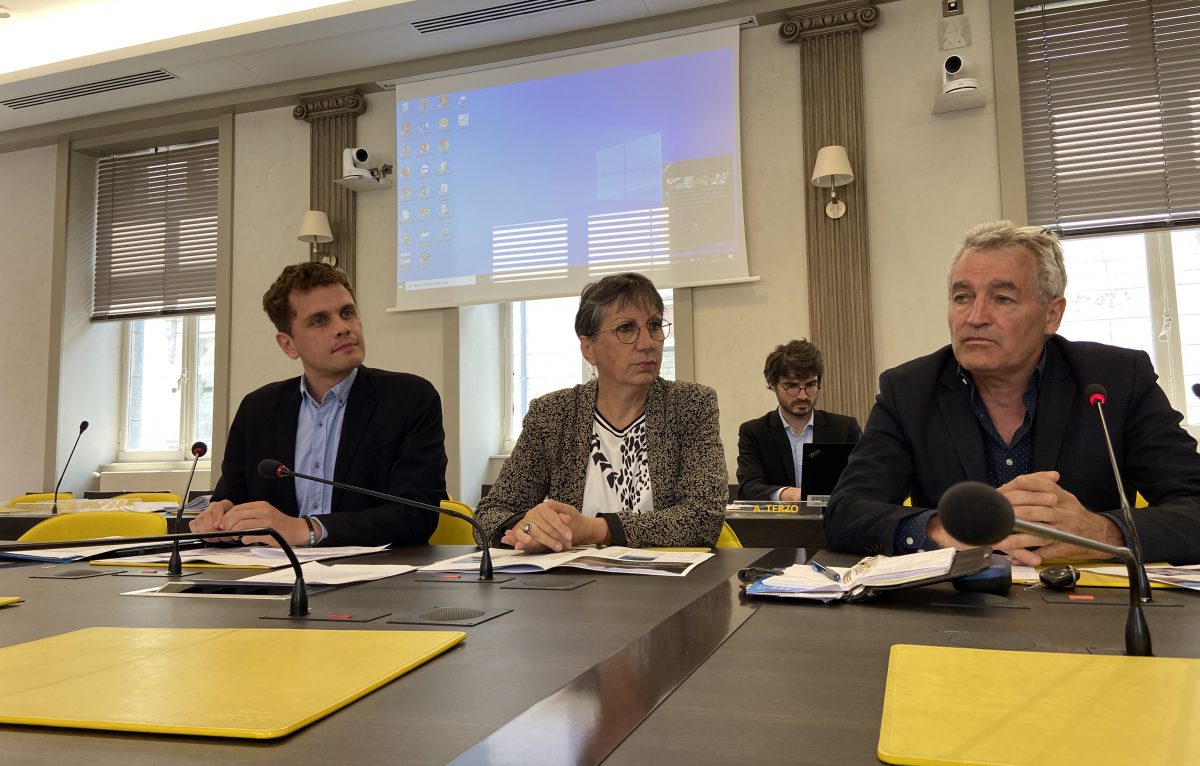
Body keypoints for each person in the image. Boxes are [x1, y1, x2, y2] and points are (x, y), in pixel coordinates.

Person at [825, 221, 1200, 565]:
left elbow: (1194, 505)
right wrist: (944, 531)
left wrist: (1102, 532)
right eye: (962, 297)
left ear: (1052, 315)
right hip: (956, 612)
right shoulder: (909, 390)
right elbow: (845, 512)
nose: (975, 317)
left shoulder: (1114, 382)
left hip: (1090, 611)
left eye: (1002, 298)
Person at [191, 262, 447, 548]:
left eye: (347, 313)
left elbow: (416, 516)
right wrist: (219, 518)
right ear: (289, 345)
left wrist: (308, 529)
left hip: (373, 579)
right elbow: (233, 499)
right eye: (320, 320)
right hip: (273, 578)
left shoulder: (409, 398)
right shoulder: (257, 409)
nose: (343, 328)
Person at [474, 272, 727, 551]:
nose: (648, 342)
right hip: (572, 585)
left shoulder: (689, 405)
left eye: (654, 325)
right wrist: (528, 526)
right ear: (588, 348)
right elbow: (490, 515)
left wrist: (595, 530)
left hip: (666, 586)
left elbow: (704, 518)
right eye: (626, 328)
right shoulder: (554, 414)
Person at [736, 339, 862, 501]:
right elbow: (748, 488)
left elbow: (864, 478)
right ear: (772, 385)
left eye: (810, 385)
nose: (802, 395)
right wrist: (791, 494)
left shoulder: (845, 428)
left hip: (835, 522)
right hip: (778, 525)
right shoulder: (754, 432)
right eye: (792, 386)